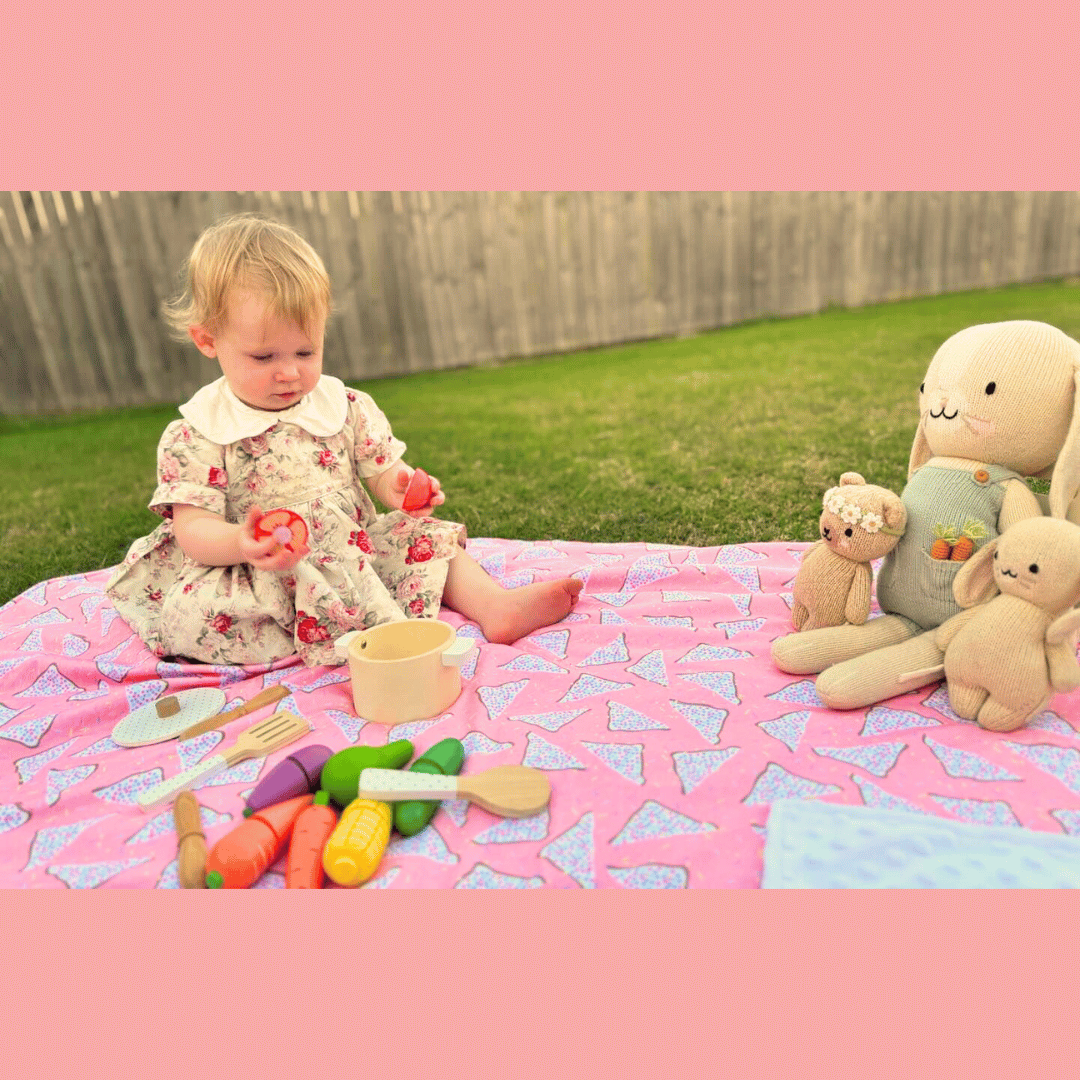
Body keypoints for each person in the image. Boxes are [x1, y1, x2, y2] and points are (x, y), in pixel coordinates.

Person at [105, 213, 582, 666]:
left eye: (305, 350)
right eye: (263, 356)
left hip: (355, 550)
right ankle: (331, 633)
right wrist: (242, 542)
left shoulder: (342, 405)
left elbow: (381, 472)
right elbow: (193, 532)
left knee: (422, 542)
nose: (289, 371)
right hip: (267, 570)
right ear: (209, 341)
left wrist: (402, 488)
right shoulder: (198, 431)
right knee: (200, 617)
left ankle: (495, 606)